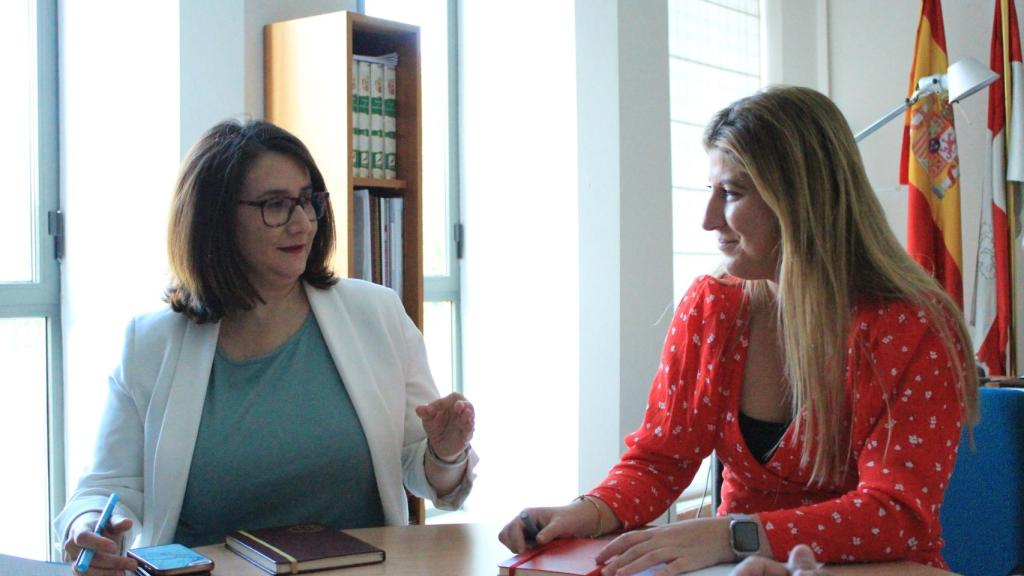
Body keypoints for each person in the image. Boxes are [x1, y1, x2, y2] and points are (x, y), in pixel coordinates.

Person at [499, 86, 978, 575]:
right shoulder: (713, 308)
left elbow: (897, 514)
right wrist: (587, 512)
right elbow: (660, 461)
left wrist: (734, 534)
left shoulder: (911, 326)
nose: (708, 220)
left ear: (801, 198)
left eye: (730, 193)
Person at [55, 119, 477, 575]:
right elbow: (106, 488)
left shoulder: (377, 314)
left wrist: (445, 453)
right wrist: (89, 528)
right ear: (216, 220)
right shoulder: (152, 343)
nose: (302, 222)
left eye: (308, 200)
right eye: (275, 205)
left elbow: (427, 476)